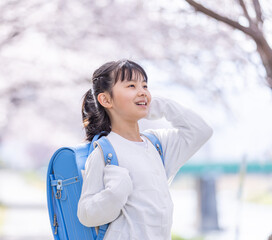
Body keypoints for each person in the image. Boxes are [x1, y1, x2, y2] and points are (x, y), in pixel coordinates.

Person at [77, 59, 213, 240]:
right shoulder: (104, 152)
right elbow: (86, 215)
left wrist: (160, 105)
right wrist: (115, 192)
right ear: (106, 99)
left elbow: (201, 131)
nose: (142, 92)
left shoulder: (157, 145)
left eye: (145, 86)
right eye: (131, 86)